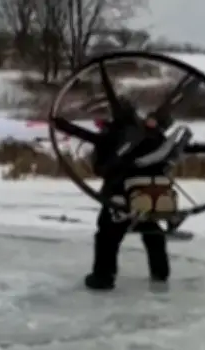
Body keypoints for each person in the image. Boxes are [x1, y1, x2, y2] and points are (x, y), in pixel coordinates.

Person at [58, 100, 187, 291]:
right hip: (151, 191)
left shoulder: (115, 134)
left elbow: (98, 159)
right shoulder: (153, 133)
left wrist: (62, 125)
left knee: (107, 235)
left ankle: (103, 277)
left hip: (119, 193)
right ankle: (160, 273)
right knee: (151, 230)